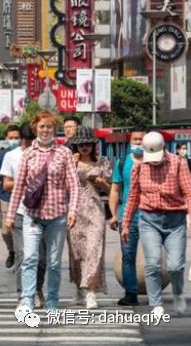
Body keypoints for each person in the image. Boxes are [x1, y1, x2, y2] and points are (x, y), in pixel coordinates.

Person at [3, 110, 81, 311]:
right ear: (35, 128)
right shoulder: (28, 153)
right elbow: (19, 186)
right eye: (41, 126)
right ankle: (27, 299)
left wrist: (72, 211)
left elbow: (74, 184)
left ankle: (53, 300)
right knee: (30, 257)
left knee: (54, 262)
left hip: (58, 217)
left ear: (55, 129)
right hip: (32, 216)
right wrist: (10, 216)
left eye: (49, 126)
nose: (45, 130)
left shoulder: (64, 153)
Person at [122, 131, 191, 316]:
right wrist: (126, 223)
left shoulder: (178, 163)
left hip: (175, 220)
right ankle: (156, 304)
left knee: (176, 266)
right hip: (149, 220)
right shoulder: (139, 166)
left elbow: (189, 192)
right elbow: (133, 196)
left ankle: (178, 294)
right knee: (152, 264)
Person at [0, 123, 46, 307]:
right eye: (24, 141)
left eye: (30, 141)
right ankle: (23, 295)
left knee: (41, 258)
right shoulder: (11, 156)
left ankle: (37, 288)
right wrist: (26, 181)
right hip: (20, 212)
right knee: (23, 253)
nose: (27, 144)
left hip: (43, 212)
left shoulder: (45, 154)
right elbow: (6, 184)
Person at [68, 127, 111, 309]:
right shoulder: (69, 162)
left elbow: (112, 189)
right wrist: (72, 166)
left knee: (94, 250)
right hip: (74, 211)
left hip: (95, 209)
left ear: (94, 145)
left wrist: (102, 183)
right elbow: (62, 187)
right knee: (78, 253)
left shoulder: (102, 162)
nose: (84, 147)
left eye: (88, 144)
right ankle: (79, 287)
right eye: (80, 144)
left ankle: (91, 293)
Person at [108, 125, 145, 306]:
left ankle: (155, 295)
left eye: (141, 140)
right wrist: (114, 214)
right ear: (131, 142)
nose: (138, 143)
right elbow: (115, 189)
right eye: (135, 140)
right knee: (128, 255)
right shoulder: (122, 162)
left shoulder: (155, 161)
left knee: (154, 257)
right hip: (128, 217)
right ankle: (131, 293)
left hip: (152, 215)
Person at [0, 124, 21, 269]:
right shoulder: (2, 156)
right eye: (11, 138)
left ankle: (22, 257)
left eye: (17, 138)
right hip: (6, 197)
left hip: (24, 198)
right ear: (6, 138)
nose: (14, 140)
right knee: (6, 230)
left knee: (22, 229)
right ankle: (11, 251)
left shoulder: (28, 153)